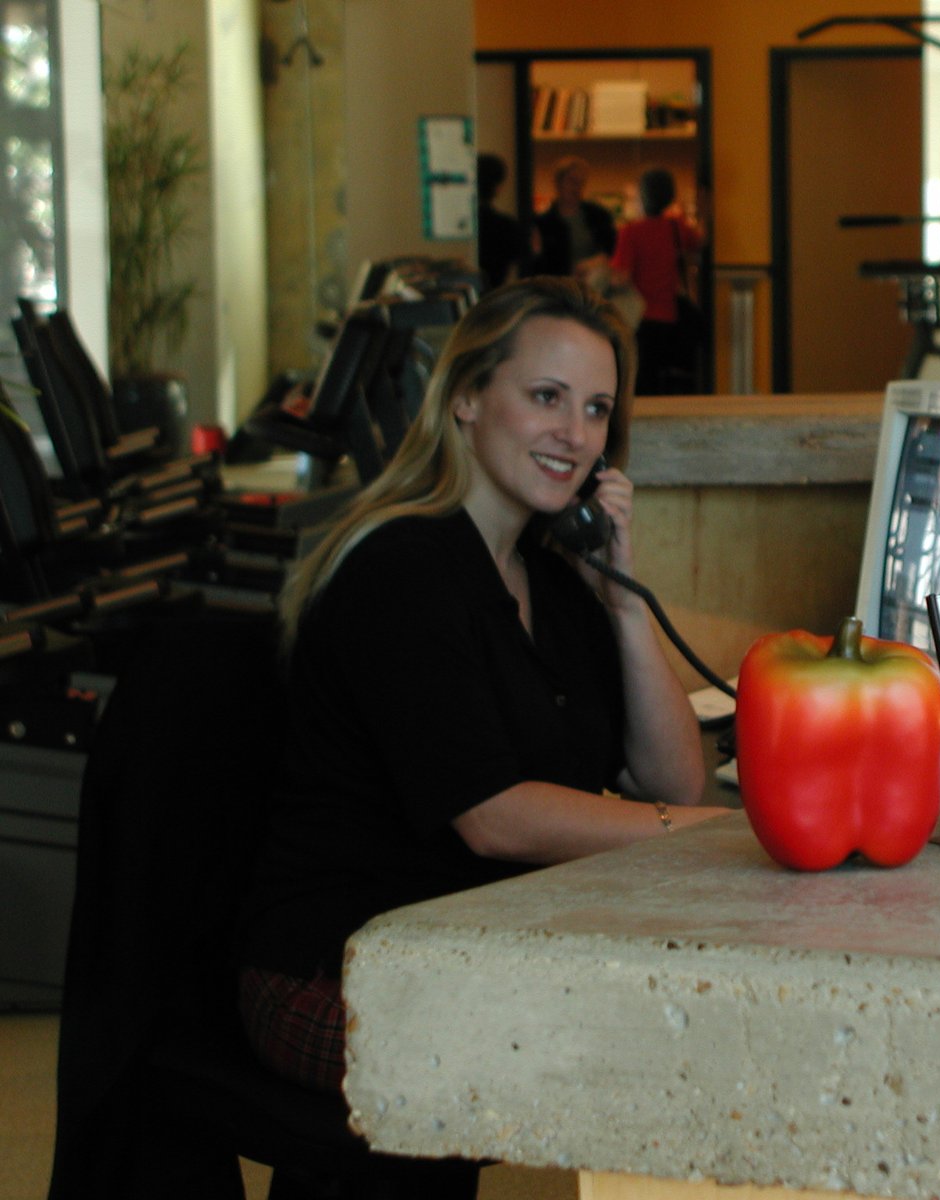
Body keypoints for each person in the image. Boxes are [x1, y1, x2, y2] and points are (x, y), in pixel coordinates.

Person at [235, 277, 727, 1093]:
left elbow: (672, 779)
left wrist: (623, 599)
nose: (575, 435)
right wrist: (698, 837)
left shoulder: (548, 577)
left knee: (693, 1021)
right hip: (342, 975)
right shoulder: (402, 569)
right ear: (465, 397)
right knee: (655, 1051)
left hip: (461, 949)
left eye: (597, 410)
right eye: (546, 397)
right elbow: (494, 817)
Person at [610, 166, 705, 394]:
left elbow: (621, 278)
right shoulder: (676, 228)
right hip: (670, 315)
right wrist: (705, 211)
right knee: (667, 379)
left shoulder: (630, 232)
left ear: (642, 196)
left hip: (641, 317)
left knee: (643, 382)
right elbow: (700, 242)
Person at [533, 156, 617, 279]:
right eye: (572, 181)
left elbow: (612, 250)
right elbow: (543, 263)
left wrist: (589, 265)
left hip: (596, 277)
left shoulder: (599, 216)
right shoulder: (544, 222)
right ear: (558, 183)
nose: (576, 188)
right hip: (560, 281)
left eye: (581, 182)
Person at [476, 152, 540, 288]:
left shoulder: (462, 225)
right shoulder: (505, 225)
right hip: (494, 293)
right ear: (497, 187)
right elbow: (527, 255)